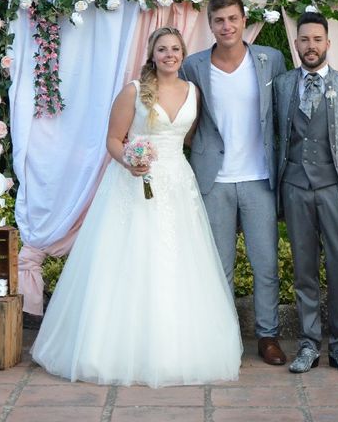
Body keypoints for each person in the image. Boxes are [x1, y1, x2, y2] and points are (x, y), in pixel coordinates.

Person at [31, 27, 242, 387]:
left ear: (183, 53)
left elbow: (187, 138)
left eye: (176, 49)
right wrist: (130, 160)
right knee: (131, 260)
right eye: (163, 49)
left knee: (178, 261)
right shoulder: (133, 91)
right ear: (152, 54)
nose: (170, 55)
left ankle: (177, 350)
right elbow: (114, 140)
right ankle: (112, 350)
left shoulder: (194, 92)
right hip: (132, 184)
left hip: (178, 185)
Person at [181, 0, 288, 366]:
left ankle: (268, 336)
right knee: (218, 265)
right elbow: (183, 114)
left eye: (232, 19)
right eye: (218, 21)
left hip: (259, 176)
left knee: (266, 263)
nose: (226, 26)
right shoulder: (193, 65)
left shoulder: (270, 60)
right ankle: (225, 338)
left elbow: (279, 117)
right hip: (214, 179)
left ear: (245, 21)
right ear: (210, 25)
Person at [273, 12, 338, 374]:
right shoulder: (283, 85)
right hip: (296, 188)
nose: (310, 46)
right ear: (296, 43)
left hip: (336, 190)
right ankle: (308, 345)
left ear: (328, 43)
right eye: (304, 40)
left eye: (317, 40)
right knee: (304, 270)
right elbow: (277, 140)